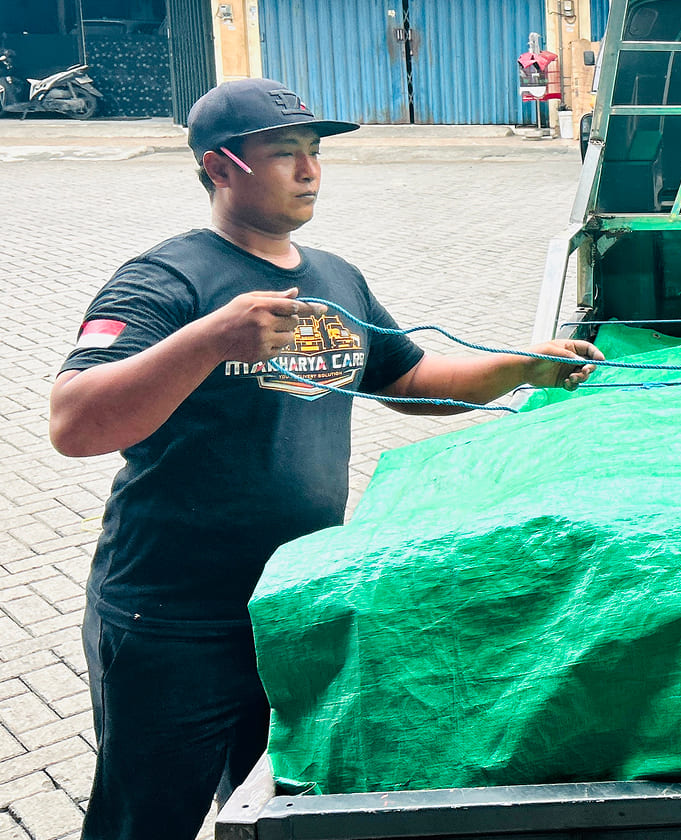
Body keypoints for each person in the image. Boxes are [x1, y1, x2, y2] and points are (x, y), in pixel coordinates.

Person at [48, 78, 602, 840]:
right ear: (219, 167)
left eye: (313, 152)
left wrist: (522, 366)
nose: (310, 171)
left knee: (271, 810)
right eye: (285, 154)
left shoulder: (334, 278)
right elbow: (75, 422)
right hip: (171, 617)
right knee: (145, 821)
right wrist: (209, 339)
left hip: (292, 606)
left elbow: (408, 379)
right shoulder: (168, 280)